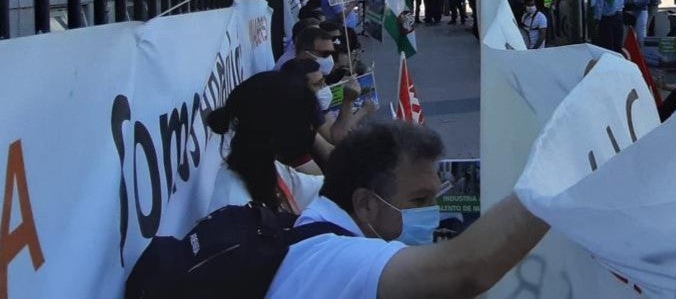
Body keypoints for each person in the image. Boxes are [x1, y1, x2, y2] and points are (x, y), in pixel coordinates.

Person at [265, 120, 549, 298]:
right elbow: (468, 270)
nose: (434, 213)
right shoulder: (341, 258)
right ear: (366, 204)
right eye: (419, 200)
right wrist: (559, 170)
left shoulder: (326, 226)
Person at [207, 71, 324, 215]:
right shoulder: (235, 208)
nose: (311, 130)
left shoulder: (265, 166)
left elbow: (314, 188)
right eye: (305, 124)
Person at [281, 58, 375, 145]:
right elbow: (337, 138)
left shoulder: (316, 106)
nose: (324, 87)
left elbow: (333, 130)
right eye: (317, 84)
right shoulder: (298, 120)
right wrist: (348, 101)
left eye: (323, 82)